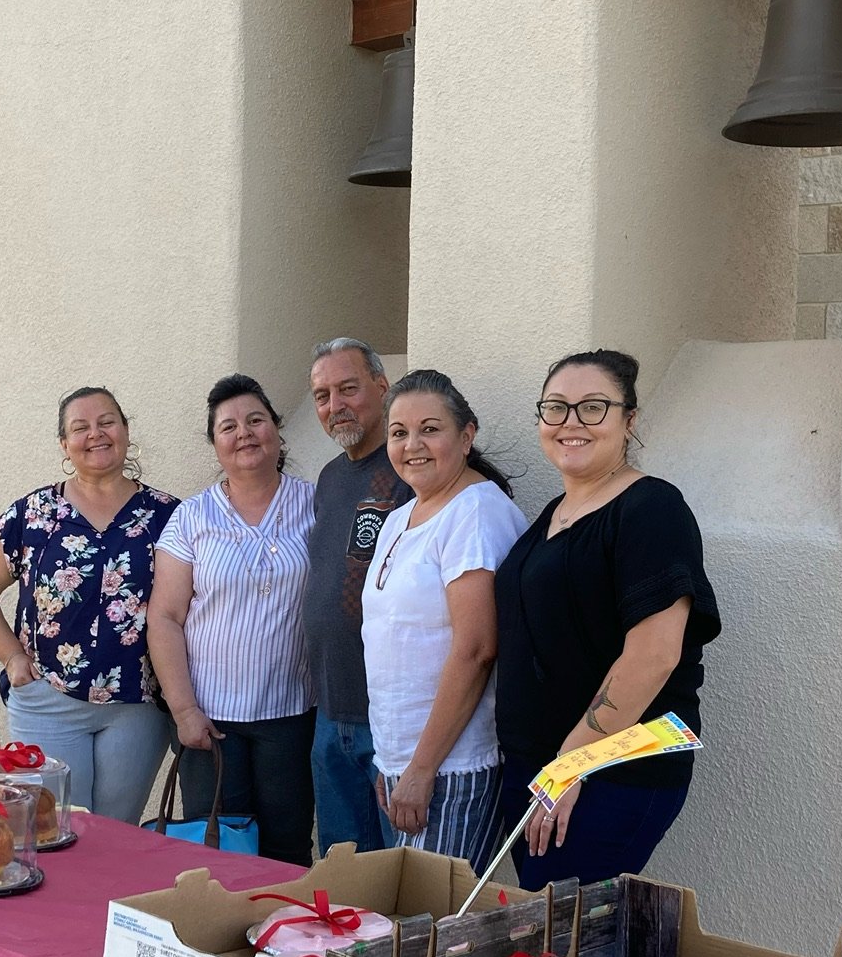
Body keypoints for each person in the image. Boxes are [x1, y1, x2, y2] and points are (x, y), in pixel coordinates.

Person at [494, 349, 721, 889]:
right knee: (551, 938)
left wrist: (570, 765)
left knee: (566, 948)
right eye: (556, 408)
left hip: (612, 766)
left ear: (629, 420)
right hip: (540, 764)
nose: (570, 422)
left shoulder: (652, 509)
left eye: (593, 407)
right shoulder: (554, 512)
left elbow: (656, 653)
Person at [0, 386, 178, 823]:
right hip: (48, 703)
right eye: (80, 428)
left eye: (107, 422)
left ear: (126, 431)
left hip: (136, 705)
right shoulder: (34, 514)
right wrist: (13, 658)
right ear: (65, 444)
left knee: (117, 834)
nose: (96, 434)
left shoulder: (168, 516)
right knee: (51, 832)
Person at [148, 375, 318, 866]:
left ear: (277, 431)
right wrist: (183, 711)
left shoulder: (315, 504)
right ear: (215, 444)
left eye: (255, 420)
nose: (244, 433)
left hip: (291, 715)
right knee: (217, 855)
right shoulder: (192, 518)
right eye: (228, 426)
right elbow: (164, 617)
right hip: (210, 723)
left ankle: (281, 939)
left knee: (287, 852)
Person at [362, 369, 527, 864]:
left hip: (452, 767)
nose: (412, 444)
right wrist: (392, 762)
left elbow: (476, 649)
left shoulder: (475, 512)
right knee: (413, 925)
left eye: (430, 429)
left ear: (466, 435)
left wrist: (421, 768)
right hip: (406, 763)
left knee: (433, 931)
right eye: (398, 432)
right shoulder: (400, 516)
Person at [303, 338, 411, 857]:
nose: (333, 405)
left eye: (348, 389)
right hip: (332, 713)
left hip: (392, 721)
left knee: (404, 882)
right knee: (346, 884)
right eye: (322, 395)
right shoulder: (328, 478)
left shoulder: (409, 472)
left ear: (382, 387)